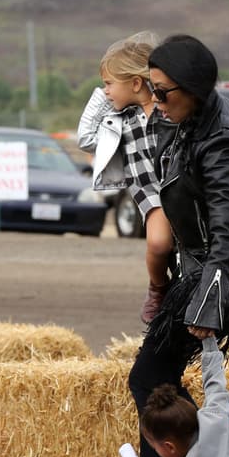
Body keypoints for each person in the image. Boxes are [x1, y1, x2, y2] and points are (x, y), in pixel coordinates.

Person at [98, 34, 229, 457]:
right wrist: (136, 71)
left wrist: (207, 301)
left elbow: (227, 234)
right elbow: (102, 110)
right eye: (149, 90)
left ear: (191, 90)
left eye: (161, 94)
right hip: (198, 274)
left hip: (210, 282)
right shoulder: (191, 110)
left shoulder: (218, 142)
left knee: (148, 381)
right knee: (160, 385)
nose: (154, 105)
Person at [78, 31, 174, 324]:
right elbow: (85, 138)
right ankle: (158, 287)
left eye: (108, 84)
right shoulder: (119, 122)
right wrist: (104, 97)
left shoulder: (170, 112)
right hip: (150, 194)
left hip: (179, 189)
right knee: (158, 244)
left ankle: (227, 292)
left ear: (135, 83)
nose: (105, 90)